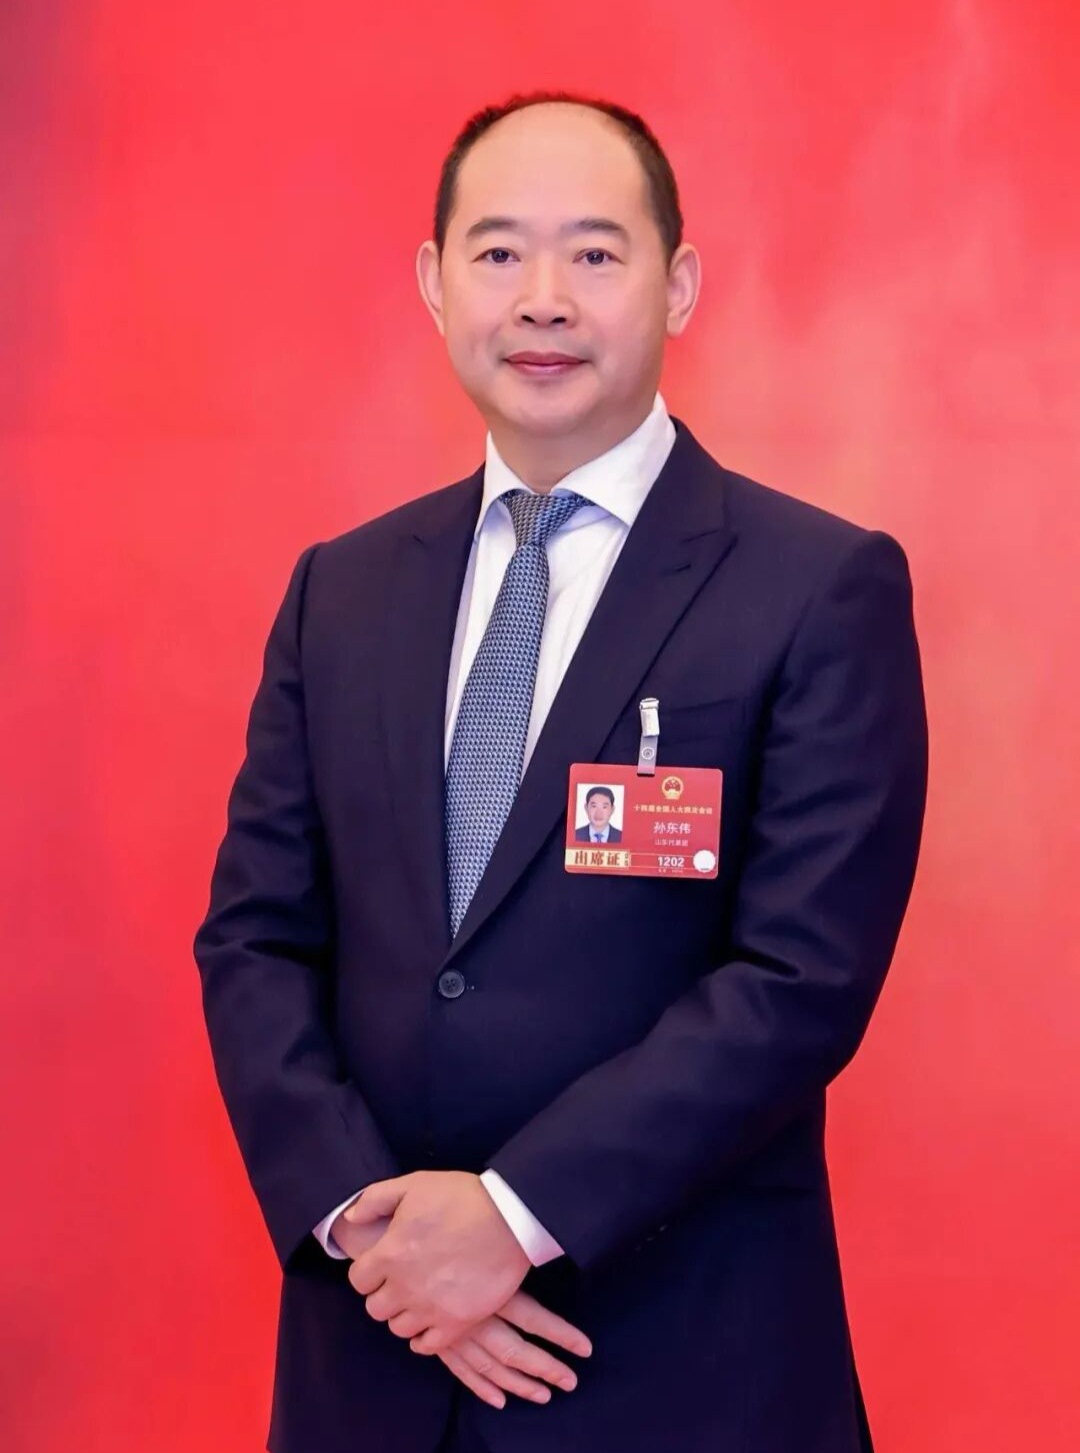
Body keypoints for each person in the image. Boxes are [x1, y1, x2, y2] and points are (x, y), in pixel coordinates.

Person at [193, 89, 928, 1453]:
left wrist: (511, 1217)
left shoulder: (815, 586)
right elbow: (256, 938)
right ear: (435, 284)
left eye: (595, 252)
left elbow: (800, 979)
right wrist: (372, 1229)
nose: (544, 298)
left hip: (679, 1361)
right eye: (498, 252)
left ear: (678, 284)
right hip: (377, 1355)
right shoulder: (340, 591)